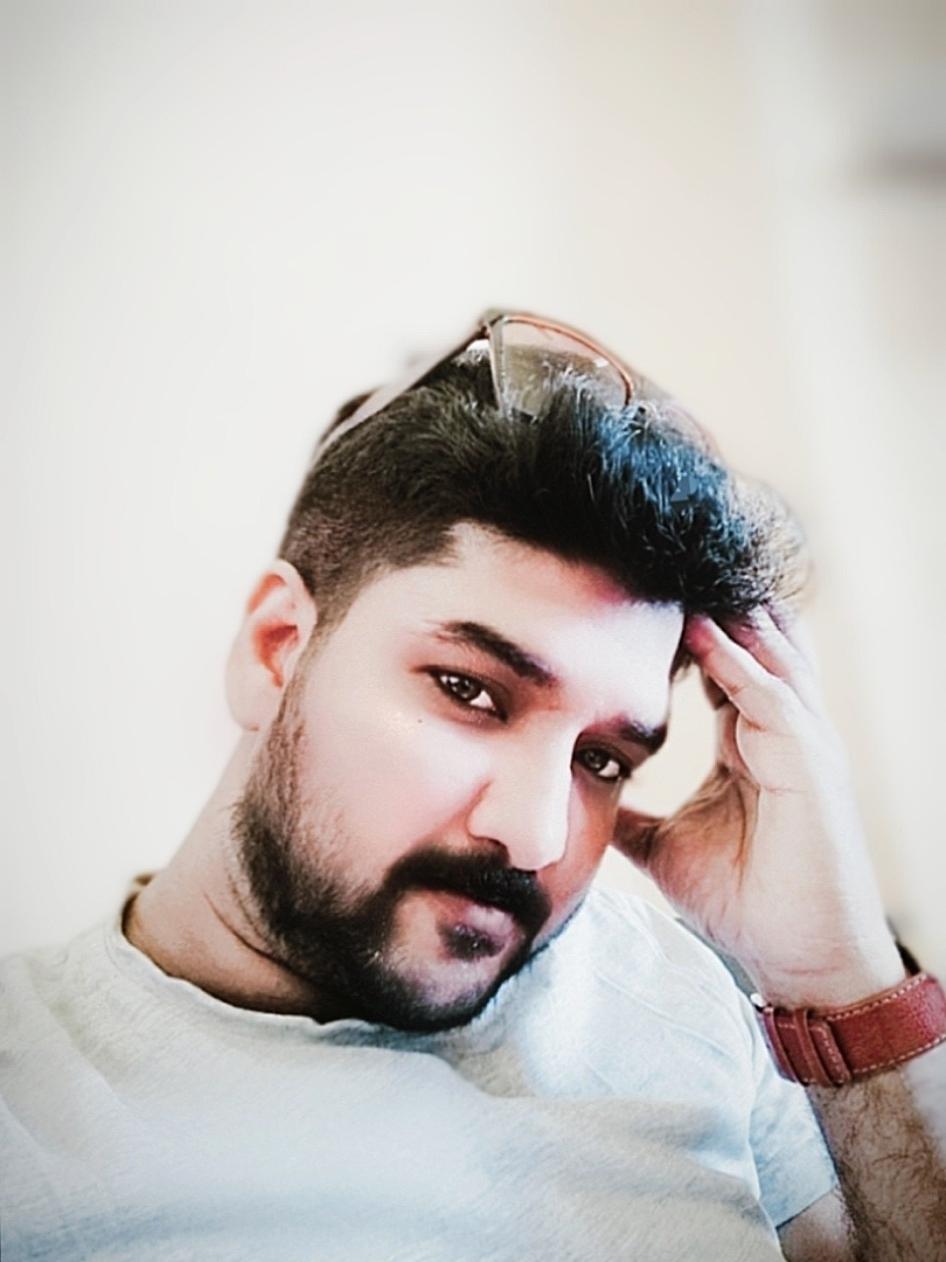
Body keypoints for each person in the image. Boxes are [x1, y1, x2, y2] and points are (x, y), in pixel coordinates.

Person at [2, 311, 944, 1262]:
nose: (535, 836)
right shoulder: (26, 1106)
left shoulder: (684, 1001)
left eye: (602, 760)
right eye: (470, 692)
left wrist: (838, 973)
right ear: (276, 649)